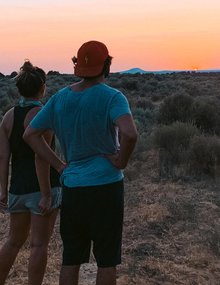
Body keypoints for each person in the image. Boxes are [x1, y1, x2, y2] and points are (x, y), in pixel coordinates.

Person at [24, 41, 138, 285]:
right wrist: (120, 161)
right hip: (106, 187)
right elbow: (130, 134)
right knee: (107, 259)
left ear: (77, 65)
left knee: (71, 258)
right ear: (106, 65)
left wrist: (59, 165)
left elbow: (30, 135)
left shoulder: (59, 98)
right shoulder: (113, 97)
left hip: (73, 188)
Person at [0, 61, 62, 285]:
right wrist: (46, 194)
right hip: (42, 189)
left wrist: (4, 192)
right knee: (39, 245)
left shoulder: (8, 117)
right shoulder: (43, 115)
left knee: (13, 241)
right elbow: (40, 156)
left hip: (18, 188)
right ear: (42, 88)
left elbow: (3, 158)